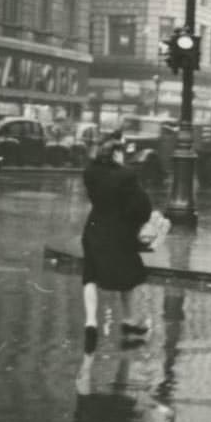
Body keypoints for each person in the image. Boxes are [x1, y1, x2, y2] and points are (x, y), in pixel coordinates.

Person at [79, 136, 153, 378]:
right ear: (116, 155)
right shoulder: (127, 176)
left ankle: (90, 322)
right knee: (131, 276)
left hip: (93, 229)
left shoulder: (90, 173)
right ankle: (130, 320)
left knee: (90, 275)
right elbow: (142, 206)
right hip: (119, 232)